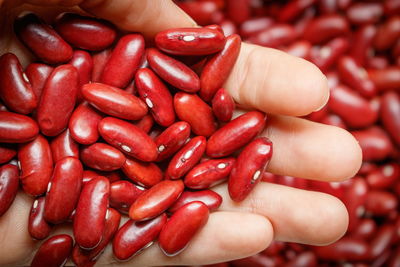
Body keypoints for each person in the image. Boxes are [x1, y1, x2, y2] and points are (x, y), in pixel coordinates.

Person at [0, 0, 362, 266]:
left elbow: (150, 136)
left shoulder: (164, 114)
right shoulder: (76, 118)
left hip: (154, 150)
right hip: (126, 149)